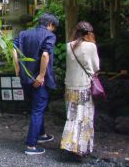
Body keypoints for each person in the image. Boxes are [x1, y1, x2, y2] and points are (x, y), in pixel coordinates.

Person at [13, 13, 59, 155]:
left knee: (36, 107)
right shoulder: (49, 36)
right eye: (53, 27)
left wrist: (17, 68)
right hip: (39, 80)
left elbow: (14, 49)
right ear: (50, 24)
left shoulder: (24, 34)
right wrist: (41, 75)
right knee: (38, 109)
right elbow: (45, 55)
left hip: (25, 77)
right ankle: (31, 145)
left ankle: (42, 134)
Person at [60, 21, 100, 158]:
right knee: (84, 117)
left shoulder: (68, 46)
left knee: (71, 117)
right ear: (89, 33)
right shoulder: (91, 46)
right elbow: (96, 67)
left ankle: (69, 145)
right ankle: (80, 148)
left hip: (70, 85)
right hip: (84, 86)